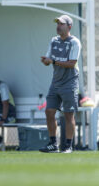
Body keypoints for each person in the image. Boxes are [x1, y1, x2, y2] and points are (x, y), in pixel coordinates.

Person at [40, 15, 81, 153]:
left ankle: (68, 146)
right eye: (57, 23)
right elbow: (49, 59)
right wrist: (46, 61)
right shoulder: (54, 40)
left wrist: (53, 62)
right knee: (49, 112)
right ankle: (53, 144)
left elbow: (72, 63)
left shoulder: (74, 42)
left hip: (70, 83)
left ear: (69, 27)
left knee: (68, 115)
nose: (58, 26)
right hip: (55, 82)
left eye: (61, 24)